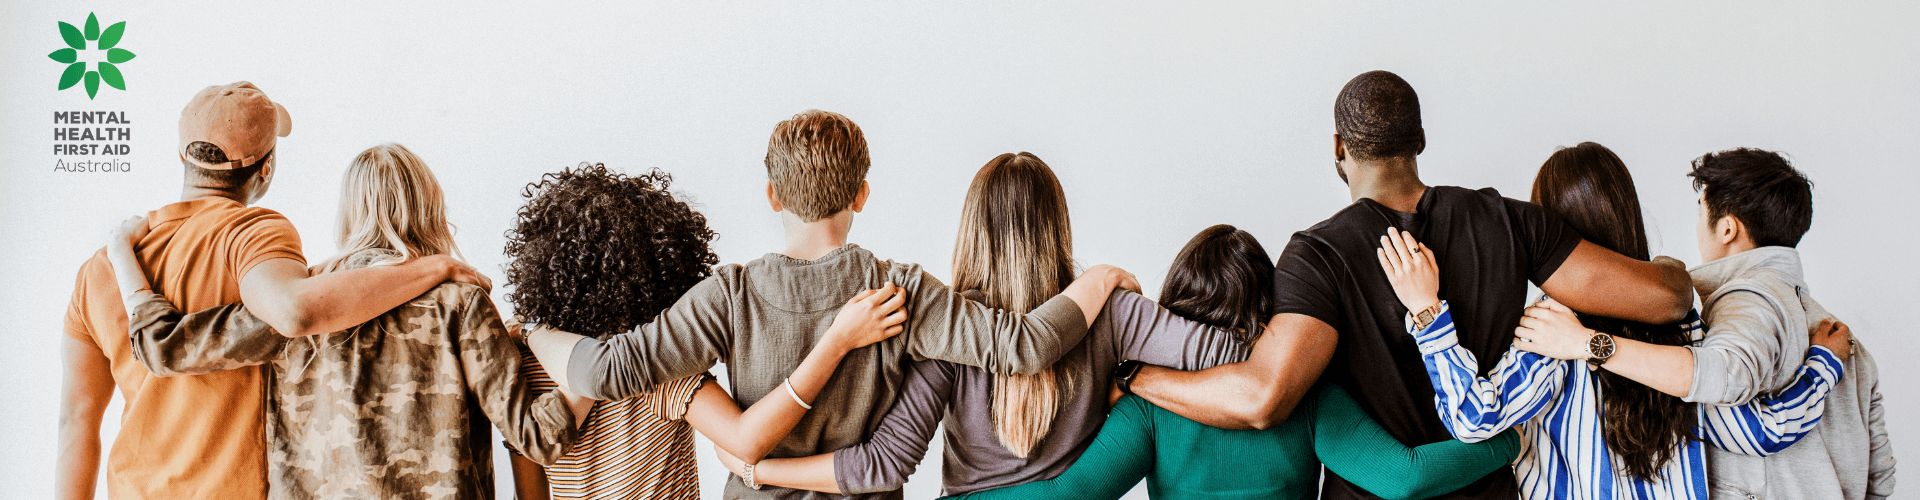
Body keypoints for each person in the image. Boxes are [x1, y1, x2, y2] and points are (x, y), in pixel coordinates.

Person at [1118, 71, 1696, 500]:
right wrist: (1671, 265)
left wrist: (1137, 376)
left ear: (1339, 149)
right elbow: (1667, 298)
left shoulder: (1318, 255)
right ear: (1419, 139)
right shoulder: (1510, 223)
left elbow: (1263, 398)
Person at [524, 110, 1142, 500]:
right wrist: (1101, 278)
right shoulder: (899, 290)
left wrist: (535, 332)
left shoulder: (728, 295)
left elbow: (602, 371)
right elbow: (1023, 347)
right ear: (862, 194)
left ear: (771, 195)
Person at [702, 153, 1245, 496]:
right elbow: (1231, 354)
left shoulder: (948, 331)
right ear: (1058, 227)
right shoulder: (1113, 309)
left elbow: (883, 466)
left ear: (972, 230)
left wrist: (758, 472)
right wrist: (1131, 383)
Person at [58, 83, 488, 500]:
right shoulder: (255, 234)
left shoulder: (103, 267)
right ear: (266, 168)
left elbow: (77, 420)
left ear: (182, 157)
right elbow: (296, 311)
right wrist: (435, 266)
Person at [1373, 142, 1851, 499]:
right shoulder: (1681, 322)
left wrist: (1426, 311)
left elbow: (1473, 419)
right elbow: (1755, 432)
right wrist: (1824, 366)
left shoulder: (1551, 331)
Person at [106, 144, 585, 500]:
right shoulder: (460, 304)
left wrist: (121, 253)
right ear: (430, 207)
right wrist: (600, 361)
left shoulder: (296, 302)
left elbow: (165, 348)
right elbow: (536, 439)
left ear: (349, 211)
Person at [918, 225, 1521, 500]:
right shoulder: (1303, 396)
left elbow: (1068, 495)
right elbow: (1403, 477)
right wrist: (1509, 443)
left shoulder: (1147, 407)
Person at [499, 163, 908, 500]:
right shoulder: (663, 371)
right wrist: (836, 342)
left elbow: (530, 492)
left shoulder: (525, 369)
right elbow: (747, 438)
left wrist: (530, 331)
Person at [1511, 147, 1895, 500]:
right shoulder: (1842, 337)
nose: (1697, 226)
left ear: (1726, 228)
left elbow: (1730, 390)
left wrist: (1588, 344)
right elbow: (1881, 477)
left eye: (1699, 210)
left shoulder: (1743, 303)